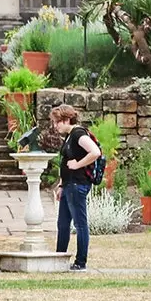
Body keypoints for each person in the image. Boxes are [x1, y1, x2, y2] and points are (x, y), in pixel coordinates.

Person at [50, 103, 101, 271]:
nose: (55, 126)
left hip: (78, 185)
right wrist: (61, 184)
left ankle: (81, 262)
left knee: (80, 224)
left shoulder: (78, 134)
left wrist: (78, 164)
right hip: (69, 185)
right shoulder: (70, 136)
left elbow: (95, 152)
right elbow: (65, 162)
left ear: (67, 120)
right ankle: (59, 258)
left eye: (57, 122)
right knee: (63, 224)